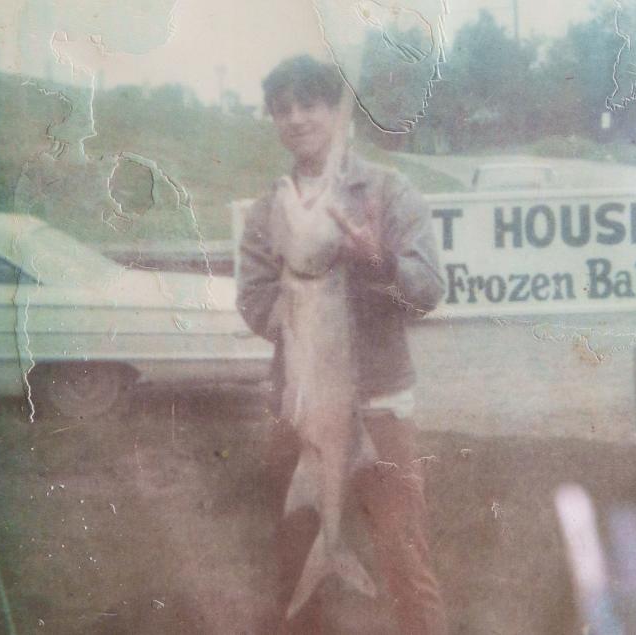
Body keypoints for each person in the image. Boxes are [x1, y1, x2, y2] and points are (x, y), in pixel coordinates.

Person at [236, 55, 448, 634]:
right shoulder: (269, 206)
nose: (297, 119)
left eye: (310, 105)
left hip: (380, 409)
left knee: (405, 558)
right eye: (283, 110)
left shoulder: (388, 189)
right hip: (301, 410)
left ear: (336, 113)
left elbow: (429, 290)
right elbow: (253, 303)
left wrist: (377, 263)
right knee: (292, 561)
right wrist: (298, 302)